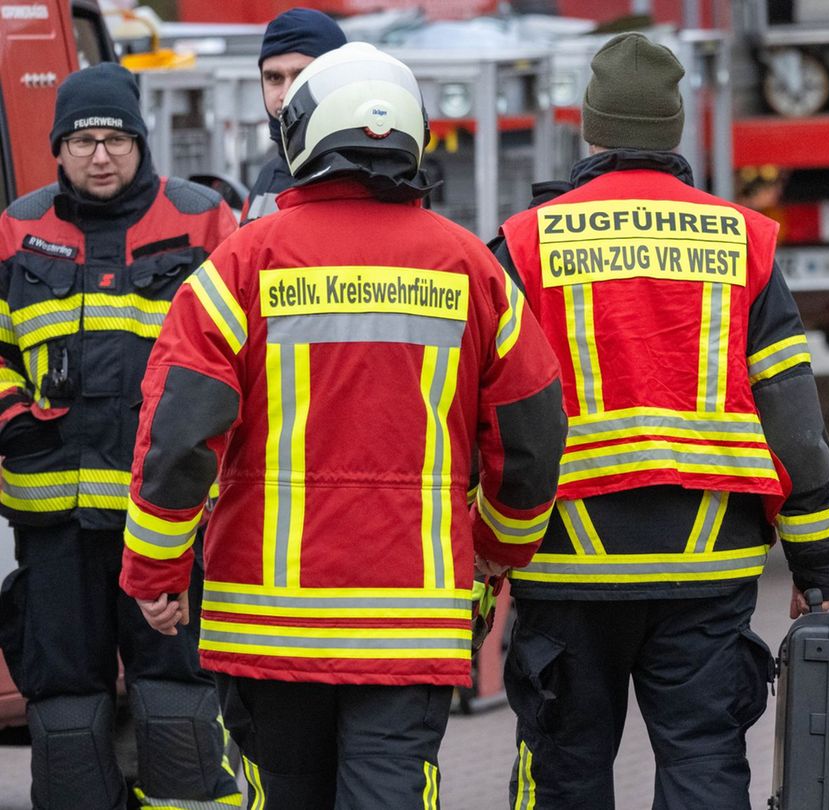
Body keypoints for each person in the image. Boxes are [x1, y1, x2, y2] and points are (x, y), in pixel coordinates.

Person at [119, 42, 568, 808]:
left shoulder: (240, 265)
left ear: (302, 134)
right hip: (411, 623)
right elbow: (532, 436)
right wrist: (498, 548)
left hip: (265, 624)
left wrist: (154, 573)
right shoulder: (471, 268)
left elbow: (180, 437)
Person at [491, 32, 829, 809]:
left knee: (565, 770)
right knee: (704, 764)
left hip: (566, 565)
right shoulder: (744, 240)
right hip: (708, 563)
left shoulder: (526, 242)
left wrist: (485, 551)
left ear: (589, 129)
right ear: (674, 130)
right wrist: (818, 560)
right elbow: (792, 417)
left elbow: (492, 415)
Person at [0, 63, 239, 810]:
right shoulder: (17, 227)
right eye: (82, 141)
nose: (100, 156)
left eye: (115, 139)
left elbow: (244, 350)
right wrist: (12, 418)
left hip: (167, 518)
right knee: (64, 700)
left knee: (179, 694)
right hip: (54, 520)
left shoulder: (204, 220)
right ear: (58, 148)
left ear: (141, 142)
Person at [240, 7, 346, 223]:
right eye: (274, 78)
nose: (287, 94)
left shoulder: (379, 178)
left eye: (302, 76)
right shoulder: (268, 177)